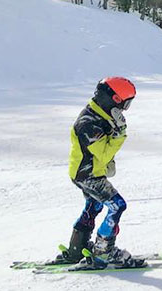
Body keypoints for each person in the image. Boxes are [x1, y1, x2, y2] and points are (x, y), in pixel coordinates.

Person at [59, 77, 142, 267]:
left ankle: (76, 249)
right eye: (125, 104)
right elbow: (103, 154)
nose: (123, 110)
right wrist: (120, 134)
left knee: (94, 206)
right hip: (88, 175)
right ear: (113, 98)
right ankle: (104, 251)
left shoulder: (100, 115)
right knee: (117, 205)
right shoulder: (89, 123)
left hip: (86, 172)